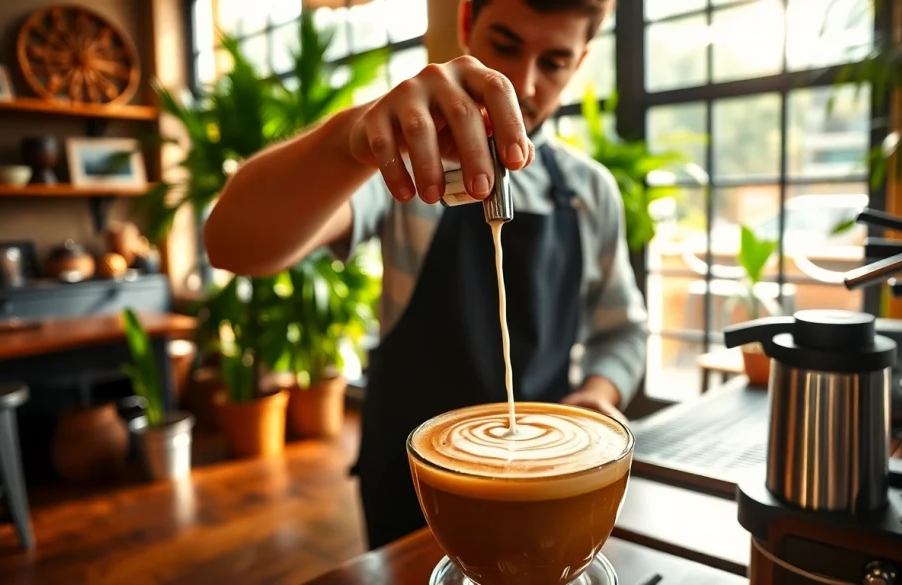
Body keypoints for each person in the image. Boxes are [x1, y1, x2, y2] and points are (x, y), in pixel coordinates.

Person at [203, 0, 647, 550]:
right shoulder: (401, 167)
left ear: (578, 64)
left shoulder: (590, 192)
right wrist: (350, 143)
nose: (524, 84)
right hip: (413, 486)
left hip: (545, 481)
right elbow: (232, 244)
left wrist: (596, 392)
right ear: (465, 26)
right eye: (506, 46)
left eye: (553, 62)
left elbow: (623, 331)